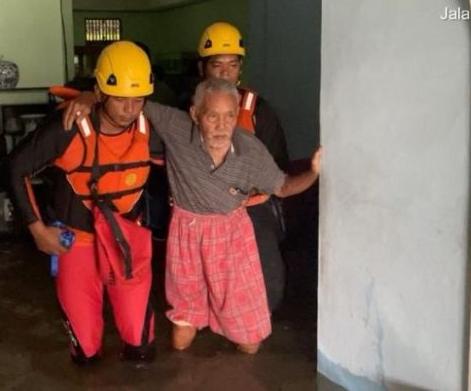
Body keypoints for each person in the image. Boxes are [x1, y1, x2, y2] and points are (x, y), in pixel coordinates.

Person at [62, 78, 322, 354]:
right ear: (195, 114)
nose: (222, 126)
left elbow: (283, 187)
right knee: (181, 337)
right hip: (187, 233)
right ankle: (196, 317)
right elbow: (132, 104)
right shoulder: (177, 126)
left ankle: (227, 319)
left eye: (230, 116)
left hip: (232, 236)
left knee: (250, 345)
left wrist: (313, 173)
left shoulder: (251, 150)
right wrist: (90, 96)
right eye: (212, 116)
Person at [7, 41, 162, 364]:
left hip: (125, 242)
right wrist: (37, 230)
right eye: (120, 98)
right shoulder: (68, 127)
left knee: (141, 347)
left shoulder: (153, 130)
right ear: (101, 92)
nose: (129, 109)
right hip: (76, 243)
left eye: (138, 99)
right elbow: (15, 168)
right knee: (87, 352)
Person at [188, 22, 292, 313]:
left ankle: (256, 322)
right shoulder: (186, 110)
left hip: (251, 207)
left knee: (266, 281)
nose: (224, 73)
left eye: (232, 65)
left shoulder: (258, 111)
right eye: (216, 65)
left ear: (240, 69)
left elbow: (277, 167)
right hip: (203, 210)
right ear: (202, 68)